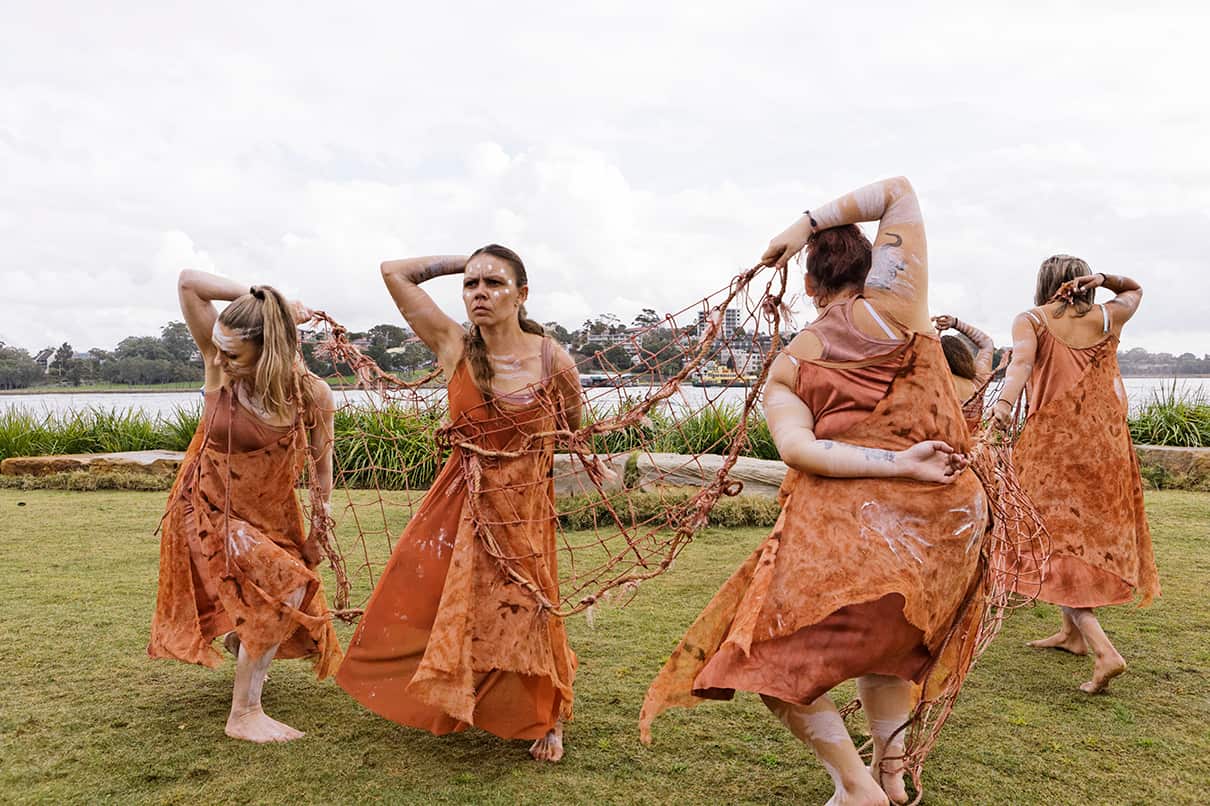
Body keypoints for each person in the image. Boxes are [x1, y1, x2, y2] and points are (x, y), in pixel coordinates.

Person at [640, 177, 989, 806]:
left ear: (807, 285)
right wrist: (804, 223)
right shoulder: (899, 310)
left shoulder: (792, 363)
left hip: (857, 534)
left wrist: (897, 465)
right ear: (872, 266)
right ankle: (890, 774)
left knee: (765, 660)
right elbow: (899, 192)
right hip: (947, 534)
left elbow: (798, 451)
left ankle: (857, 788)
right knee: (888, 648)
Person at [336, 244, 582, 762]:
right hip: (460, 499)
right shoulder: (454, 345)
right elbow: (393, 272)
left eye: (494, 283)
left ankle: (548, 716)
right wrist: (466, 258)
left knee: (528, 605)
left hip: (523, 505)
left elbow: (571, 425)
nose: (480, 293)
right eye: (471, 284)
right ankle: (453, 689)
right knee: (437, 597)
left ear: (521, 294)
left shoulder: (551, 358)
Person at [148, 270, 342, 743]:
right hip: (205, 508)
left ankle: (245, 644)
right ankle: (244, 713)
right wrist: (272, 301)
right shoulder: (219, 369)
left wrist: (319, 530)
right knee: (287, 585)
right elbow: (189, 283)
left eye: (232, 353)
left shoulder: (310, 394)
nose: (217, 358)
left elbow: (322, 470)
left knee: (280, 592)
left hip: (270, 516)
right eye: (217, 348)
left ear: (269, 349)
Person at [992, 257, 1158, 693]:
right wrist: (1106, 280)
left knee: (1051, 544)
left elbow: (1019, 366)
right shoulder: (1107, 316)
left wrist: (1001, 410)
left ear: (1044, 283)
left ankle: (1104, 651)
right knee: (1076, 541)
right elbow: (1135, 289)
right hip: (1105, 447)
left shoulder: (1032, 319)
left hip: (1054, 449)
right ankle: (1071, 636)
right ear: (1085, 282)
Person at [932, 314, 996, 430]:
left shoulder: (936, 385)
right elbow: (987, 344)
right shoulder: (978, 382)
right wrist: (955, 323)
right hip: (972, 440)